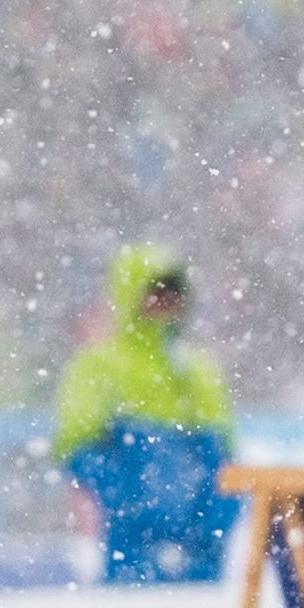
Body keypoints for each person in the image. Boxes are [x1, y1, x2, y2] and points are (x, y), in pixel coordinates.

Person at [52, 246, 236, 584]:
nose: (165, 303)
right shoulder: (98, 367)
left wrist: (212, 525)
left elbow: (225, 461)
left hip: (200, 558)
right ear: (130, 296)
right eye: (154, 292)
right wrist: (127, 503)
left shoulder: (198, 371)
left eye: (172, 293)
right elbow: (77, 449)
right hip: (130, 551)